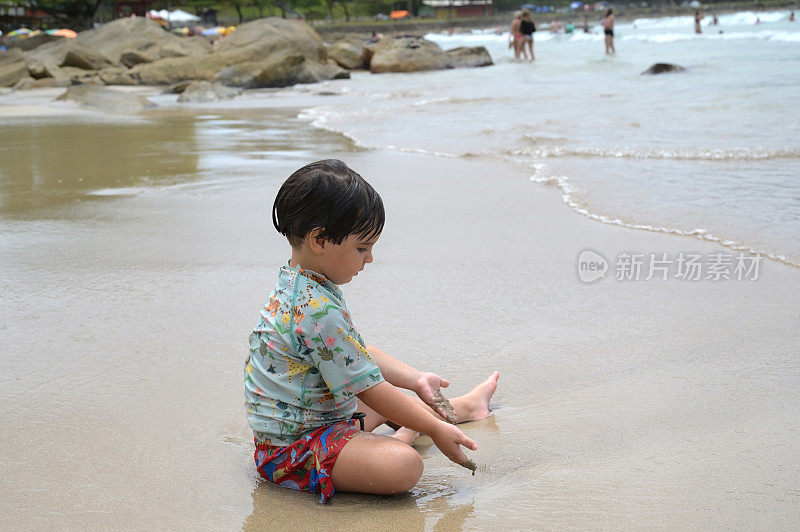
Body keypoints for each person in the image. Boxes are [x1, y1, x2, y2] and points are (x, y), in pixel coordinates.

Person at [245, 159, 500, 502]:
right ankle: (417, 430)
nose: (369, 259)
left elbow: (359, 357)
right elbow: (370, 390)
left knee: (401, 399)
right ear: (319, 240)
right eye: (362, 248)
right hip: (292, 453)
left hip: (319, 419)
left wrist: (415, 378)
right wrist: (431, 429)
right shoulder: (317, 310)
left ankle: (462, 409)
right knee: (403, 465)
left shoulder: (298, 285)